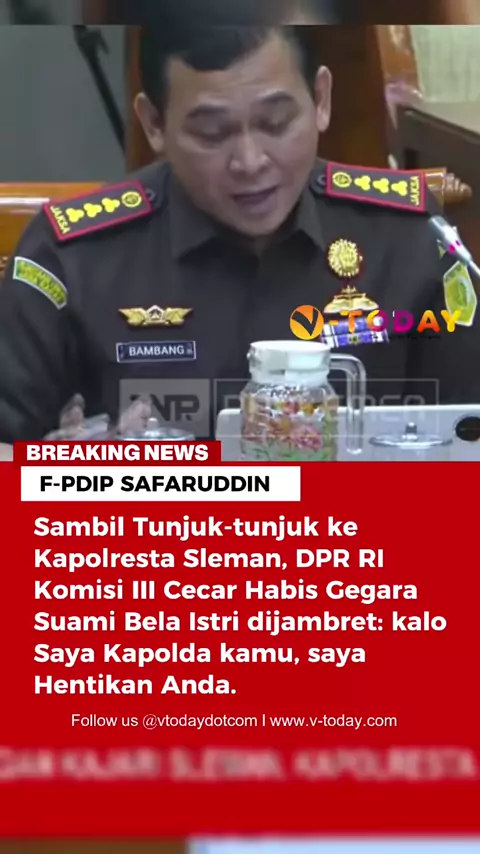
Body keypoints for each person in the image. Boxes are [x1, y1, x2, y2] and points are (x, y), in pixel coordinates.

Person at [0, 22, 479, 446]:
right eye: (212, 133)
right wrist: (76, 476)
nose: (250, 162)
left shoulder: (410, 238)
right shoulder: (71, 259)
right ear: (154, 124)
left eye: (276, 123)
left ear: (321, 100)